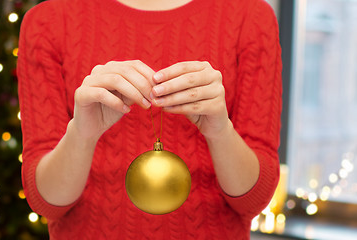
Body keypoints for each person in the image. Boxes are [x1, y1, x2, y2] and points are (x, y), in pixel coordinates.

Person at [17, 0, 282, 238]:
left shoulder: (250, 17)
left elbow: (253, 200)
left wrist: (221, 132)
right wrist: (81, 134)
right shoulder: (48, 21)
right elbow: (46, 202)